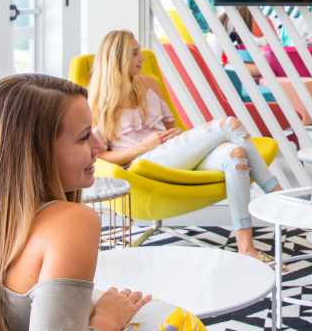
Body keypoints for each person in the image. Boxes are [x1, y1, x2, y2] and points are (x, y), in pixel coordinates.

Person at [0, 74, 312, 331]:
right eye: (82, 138)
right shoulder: (69, 223)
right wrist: (107, 322)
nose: (100, 146)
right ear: (35, 153)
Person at [89, 30, 281, 261]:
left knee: (236, 155)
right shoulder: (98, 101)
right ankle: (276, 194)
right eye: (134, 53)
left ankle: (246, 247)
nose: (141, 58)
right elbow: (98, 157)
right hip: (145, 165)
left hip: (174, 153)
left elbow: (173, 125)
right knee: (229, 124)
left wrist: (178, 135)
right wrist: (142, 147)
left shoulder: (150, 84)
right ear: (117, 59)